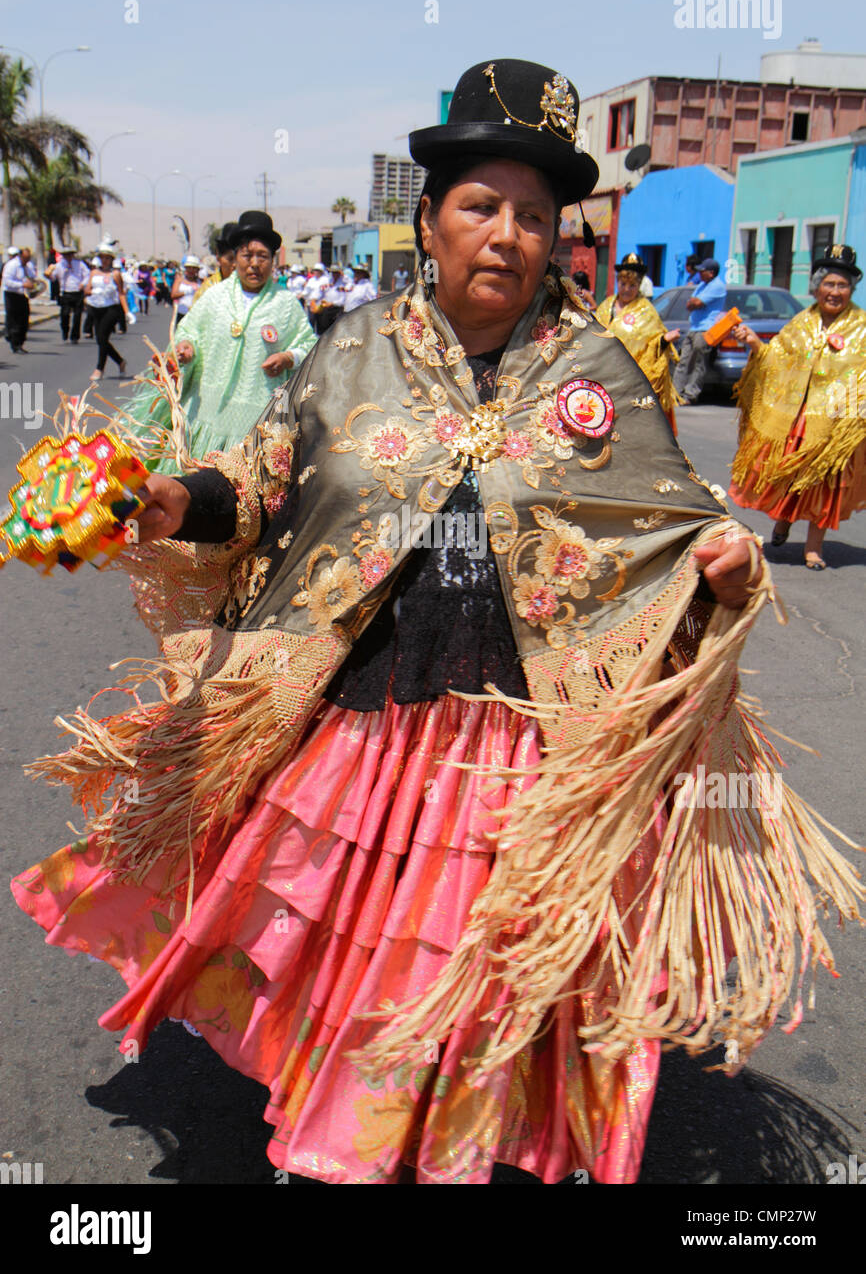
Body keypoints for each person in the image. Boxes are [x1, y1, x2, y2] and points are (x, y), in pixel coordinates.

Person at [11, 61, 861, 1187]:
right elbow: (266, 481)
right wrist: (181, 498)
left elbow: (672, 529)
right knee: (352, 959)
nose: (506, 235)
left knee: (481, 980)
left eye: (532, 215)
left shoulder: (593, 369)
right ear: (427, 219)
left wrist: (722, 566)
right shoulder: (353, 351)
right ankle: (352, 1142)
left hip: (524, 745)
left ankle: (454, 1146)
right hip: (360, 718)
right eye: (479, 206)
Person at [127, 209, 316, 470]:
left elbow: (308, 345)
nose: (254, 264)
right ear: (234, 258)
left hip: (257, 415)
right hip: (206, 409)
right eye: (247, 255)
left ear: (273, 261)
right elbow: (188, 332)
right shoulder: (215, 296)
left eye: (263, 256)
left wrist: (287, 357)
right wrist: (186, 348)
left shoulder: (285, 303)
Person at [729, 243, 866, 570]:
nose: (835, 292)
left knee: (823, 484)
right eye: (829, 284)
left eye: (842, 285)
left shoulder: (861, 327)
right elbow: (776, 358)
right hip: (797, 418)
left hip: (835, 421)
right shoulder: (801, 323)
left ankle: (813, 549)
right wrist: (753, 344)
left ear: (851, 289)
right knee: (788, 477)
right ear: (817, 287)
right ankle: (784, 521)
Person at [596, 251, 681, 431]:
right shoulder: (606, 305)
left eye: (632, 285)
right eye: (623, 284)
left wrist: (664, 341)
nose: (627, 289)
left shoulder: (647, 312)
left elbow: (653, 343)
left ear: (639, 285)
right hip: (602, 373)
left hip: (630, 379)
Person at [673, 257, 726, 405]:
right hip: (694, 327)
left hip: (705, 330)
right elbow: (689, 304)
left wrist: (694, 303)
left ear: (711, 272)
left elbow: (696, 302)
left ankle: (690, 394)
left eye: (703, 271)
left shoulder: (717, 286)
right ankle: (675, 393)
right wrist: (693, 303)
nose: (700, 274)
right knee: (683, 360)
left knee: (698, 362)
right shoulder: (702, 285)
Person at [83, 243, 127, 382]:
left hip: (111, 308)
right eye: (102, 258)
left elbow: (121, 293)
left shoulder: (115, 274)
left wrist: (127, 312)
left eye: (107, 258)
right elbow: (87, 290)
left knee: (102, 337)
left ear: (111, 259)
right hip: (96, 307)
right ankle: (120, 361)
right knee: (100, 339)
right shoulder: (94, 273)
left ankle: (99, 369)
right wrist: (93, 291)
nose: (104, 260)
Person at [47, 245, 90, 343]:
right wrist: (49, 275)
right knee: (65, 314)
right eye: (66, 255)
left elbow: (87, 275)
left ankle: (75, 336)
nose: (68, 257)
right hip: (65, 292)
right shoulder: (59, 265)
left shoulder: (80, 264)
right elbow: (53, 277)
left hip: (77, 292)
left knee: (77, 315)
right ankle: (65, 331)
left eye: (70, 255)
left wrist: (83, 284)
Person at [2, 246, 37, 354]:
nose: (27, 260)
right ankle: (16, 345)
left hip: (23, 295)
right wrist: (22, 284)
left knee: (24, 320)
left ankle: (20, 341)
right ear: (20, 256)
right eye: (25, 258)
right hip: (12, 295)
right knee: (14, 320)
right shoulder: (12, 265)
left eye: (28, 258)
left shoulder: (28, 265)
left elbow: (32, 276)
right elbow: (7, 281)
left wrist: (32, 283)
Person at [194, 223, 237, 302]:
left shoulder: (252, 287)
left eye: (238, 259)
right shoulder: (208, 289)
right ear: (218, 256)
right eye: (230, 259)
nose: (235, 264)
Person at [172, 255, 202, 328]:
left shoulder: (201, 282)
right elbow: (173, 295)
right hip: (182, 313)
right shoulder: (179, 280)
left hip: (196, 315)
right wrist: (186, 292)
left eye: (194, 268)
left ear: (197, 270)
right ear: (185, 268)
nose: (191, 270)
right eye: (189, 268)